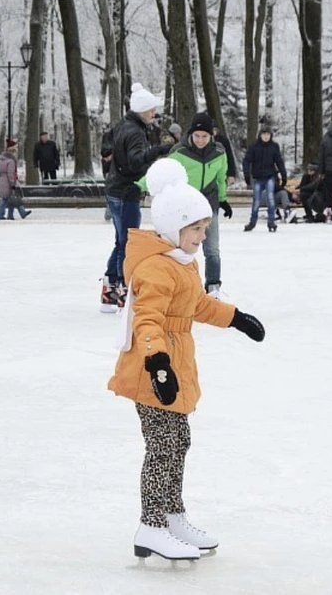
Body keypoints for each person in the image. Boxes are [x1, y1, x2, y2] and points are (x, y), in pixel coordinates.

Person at [107, 159, 265, 561]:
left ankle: (172, 515)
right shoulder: (157, 269)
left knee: (179, 441)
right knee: (162, 447)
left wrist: (236, 318)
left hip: (173, 367)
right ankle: (151, 526)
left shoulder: (182, 264)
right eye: (195, 228)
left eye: (205, 228)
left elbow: (196, 306)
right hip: (153, 372)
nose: (202, 234)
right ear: (173, 227)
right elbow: (148, 321)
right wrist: (157, 365)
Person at [102, 83, 172, 312]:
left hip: (115, 190)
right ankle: (123, 289)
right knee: (128, 242)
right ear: (142, 110)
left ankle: (109, 287)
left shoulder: (123, 125)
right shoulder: (134, 132)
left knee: (121, 240)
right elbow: (134, 161)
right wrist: (159, 151)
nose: (154, 113)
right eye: (151, 109)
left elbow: (108, 145)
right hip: (125, 192)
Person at [163, 112, 231, 295]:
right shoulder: (179, 152)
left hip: (209, 205)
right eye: (197, 136)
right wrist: (142, 186)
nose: (201, 140)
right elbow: (163, 172)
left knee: (212, 250)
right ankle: (178, 286)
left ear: (211, 136)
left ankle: (213, 287)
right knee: (181, 248)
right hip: (186, 207)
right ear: (191, 134)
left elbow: (220, 178)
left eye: (205, 136)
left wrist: (223, 200)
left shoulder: (219, 153)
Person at [241, 127, 287, 232]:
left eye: (268, 134)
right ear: (260, 135)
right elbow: (247, 160)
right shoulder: (254, 146)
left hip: (270, 176)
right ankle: (252, 221)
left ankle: (271, 221)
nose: (266, 136)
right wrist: (246, 174)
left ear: (270, 136)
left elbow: (279, 161)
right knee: (256, 200)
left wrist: (283, 175)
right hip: (257, 177)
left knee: (270, 198)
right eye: (264, 134)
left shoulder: (274, 146)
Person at [0, 140, 30, 221]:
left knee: (11, 198)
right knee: (5, 200)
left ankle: (11, 215)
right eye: (15, 147)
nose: (16, 149)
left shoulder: (3, 159)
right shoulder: (11, 161)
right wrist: (12, 183)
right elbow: (10, 173)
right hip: (8, 183)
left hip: (3, 181)